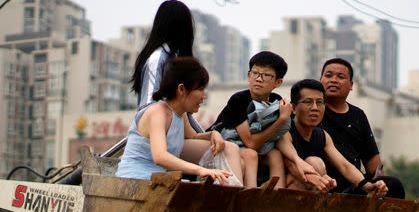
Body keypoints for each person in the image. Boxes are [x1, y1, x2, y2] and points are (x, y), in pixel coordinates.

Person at [116, 56, 243, 184]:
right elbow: (160, 157)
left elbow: (193, 137)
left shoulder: (179, 113)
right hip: (135, 182)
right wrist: (201, 170)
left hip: (159, 182)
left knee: (229, 149)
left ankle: (239, 200)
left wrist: (213, 134)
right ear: (181, 89)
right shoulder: (158, 112)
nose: (204, 96)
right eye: (200, 89)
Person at [210, 51, 310, 188]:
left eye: (267, 75)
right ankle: (251, 194)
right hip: (227, 144)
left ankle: (277, 196)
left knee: (275, 154)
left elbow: (282, 137)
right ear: (248, 75)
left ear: (278, 82)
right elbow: (251, 144)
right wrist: (281, 120)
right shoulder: (239, 100)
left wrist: (297, 160)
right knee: (251, 154)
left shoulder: (277, 102)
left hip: (257, 150)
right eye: (255, 73)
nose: (259, 79)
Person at [283, 79, 388, 197]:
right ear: (293, 107)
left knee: (391, 185)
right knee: (315, 163)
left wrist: (367, 185)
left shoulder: (323, 136)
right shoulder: (285, 131)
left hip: (313, 193)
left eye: (319, 102)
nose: (315, 108)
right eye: (308, 102)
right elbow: (292, 165)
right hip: (284, 193)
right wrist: (316, 179)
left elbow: (344, 166)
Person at [319, 58, 406, 199]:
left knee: (393, 185)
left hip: (354, 184)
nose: (333, 80)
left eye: (340, 77)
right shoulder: (313, 110)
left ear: (351, 85)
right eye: (328, 75)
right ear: (320, 80)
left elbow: (374, 165)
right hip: (323, 181)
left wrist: (380, 185)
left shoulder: (358, 116)